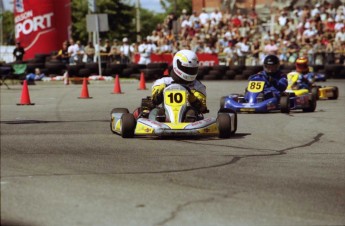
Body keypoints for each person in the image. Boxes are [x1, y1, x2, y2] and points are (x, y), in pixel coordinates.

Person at [148, 49, 207, 122]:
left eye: (192, 70)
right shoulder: (163, 82)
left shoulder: (198, 86)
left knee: (191, 113)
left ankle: (188, 123)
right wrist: (160, 92)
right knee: (155, 112)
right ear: (177, 65)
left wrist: (192, 98)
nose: (189, 72)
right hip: (165, 114)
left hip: (187, 115)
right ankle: (158, 122)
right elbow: (153, 102)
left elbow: (202, 108)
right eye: (186, 69)